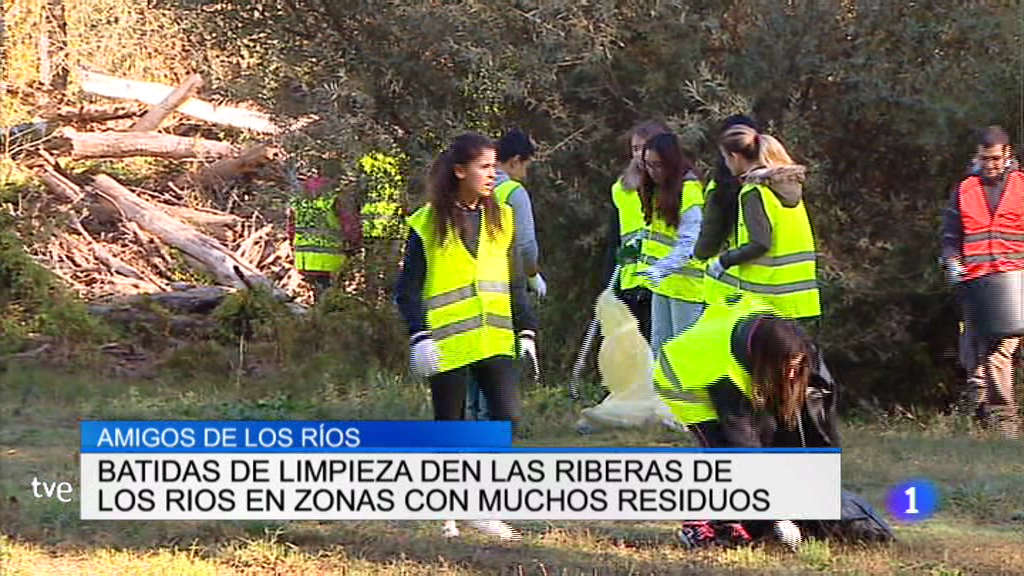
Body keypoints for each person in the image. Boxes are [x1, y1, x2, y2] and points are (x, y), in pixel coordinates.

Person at [394, 132, 537, 540]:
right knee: (450, 424)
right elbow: (407, 289)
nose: (493, 174)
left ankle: (484, 507)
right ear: (460, 171)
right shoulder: (426, 222)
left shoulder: (502, 217)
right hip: (447, 342)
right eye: (484, 167)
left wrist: (527, 329)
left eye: (494, 166)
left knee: (505, 420)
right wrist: (419, 335)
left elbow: (515, 283)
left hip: (496, 338)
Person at [653, 292, 841, 548]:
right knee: (721, 452)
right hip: (685, 382)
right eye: (788, 368)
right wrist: (777, 514)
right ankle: (700, 525)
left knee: (770, 434)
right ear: (768, 360)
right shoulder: (726, 374)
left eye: (797, 367)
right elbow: (744, 444)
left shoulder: (778, 332)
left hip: (726, 360)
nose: (793, 375)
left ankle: (741, 518)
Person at [941, 125, 1022, 439]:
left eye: (995, 158)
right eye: (984, 158)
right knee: (974, 357)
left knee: (999, 352)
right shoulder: (964, 190)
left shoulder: (1021, 186)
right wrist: (952, 261)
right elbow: (951, 237)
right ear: (976, 156)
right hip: (975, 285)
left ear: (1007, 154)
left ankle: (1004, 422)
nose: (990, 164)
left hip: (1013, 286)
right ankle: (980, 417)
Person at [703, 125, 821, 323]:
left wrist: (724, 261)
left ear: (735, 157)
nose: (726, 165)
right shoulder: (786, 188)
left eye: (725, 158)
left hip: (766, 301)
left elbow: (760, 243)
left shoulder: (754, 192)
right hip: (798, 300)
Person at [467, 128, 545, 421]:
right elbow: (525, 245)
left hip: (467, 285)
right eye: (526, 165)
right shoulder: (513, 192)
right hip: (504, 286)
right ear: (514, 161)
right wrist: (532, 275)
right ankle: (491, 425)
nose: (525, 173)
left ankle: (470, 422)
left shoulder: (471, 185)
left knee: (473, 358)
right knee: (498, 361)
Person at [634, 132, 706, 355]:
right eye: (648, 165)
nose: (652, 171)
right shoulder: (657, 189)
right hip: (664, 284)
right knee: (659, 348)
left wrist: (660, 269)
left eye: (658, 165)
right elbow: (658, 232)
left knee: (683, 352)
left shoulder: (689, 190)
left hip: (687, 286)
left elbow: (689, 243)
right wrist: (637, 244)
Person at [603, 120, 672, 343]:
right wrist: (608, 285)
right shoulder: (621, 190)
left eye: (644, 148)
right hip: (629, 283)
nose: (639, 155)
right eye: (634, 149)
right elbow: (615, 239)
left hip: (662, 281)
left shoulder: (673, 188)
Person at [694, 115, 762, 261]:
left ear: (733, 155)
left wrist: (699, 254)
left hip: (743, 270)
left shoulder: (722, 187)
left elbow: (709, 241)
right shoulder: (782, 179)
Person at [287, 173, 361, 303]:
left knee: (318, 294)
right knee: (330, 296)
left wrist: (294, 249)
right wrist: (355, 245)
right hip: (330, 259)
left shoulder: (299, 202)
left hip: (304, 258)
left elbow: (291, 230)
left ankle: (318, 311)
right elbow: (350, 227)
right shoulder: (335, 200)